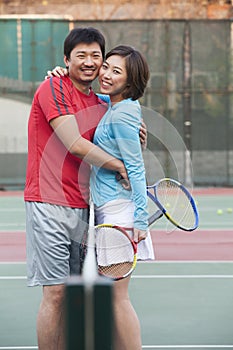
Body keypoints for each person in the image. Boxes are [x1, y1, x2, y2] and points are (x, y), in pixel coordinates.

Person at [25, 27, 147, 350]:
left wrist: (136, 139)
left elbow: (122, 127)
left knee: (72, 292)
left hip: (83, 207)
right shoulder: (54, 87)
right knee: (55, 292)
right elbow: (76, 144)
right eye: (82, 55)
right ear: (66, 60)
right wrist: (121, 166)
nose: (92, 63)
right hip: (48, 203)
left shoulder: (101, 101)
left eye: (98, 56)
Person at [90, 45, 154, 350]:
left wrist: (141, 218)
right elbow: (91, 98)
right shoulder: (116, 106)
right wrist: (62, 76)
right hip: (111, 210)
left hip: (120, 213)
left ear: (130, 83)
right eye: (107, 67)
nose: (106, 74)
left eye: (117, 72)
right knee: (111, 297)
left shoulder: (124, 112)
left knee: (117, 298)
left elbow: (136, 169)